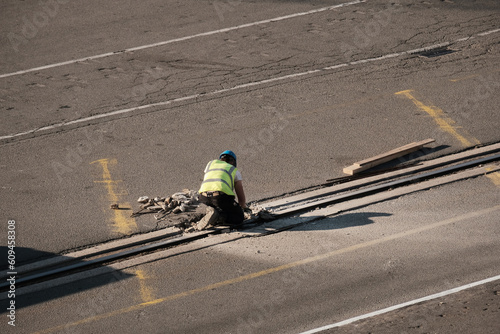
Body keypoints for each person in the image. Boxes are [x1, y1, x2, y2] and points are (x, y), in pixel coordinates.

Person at [196, 150, 247, 230]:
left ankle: (212, 212)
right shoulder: (233, 169)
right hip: (220, 197)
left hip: (203, 197)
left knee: (218, 204)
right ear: (233, 162)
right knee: (238, 217)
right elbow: (241, 197)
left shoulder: (210, 164)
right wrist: (242, 207)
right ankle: (219, 217)